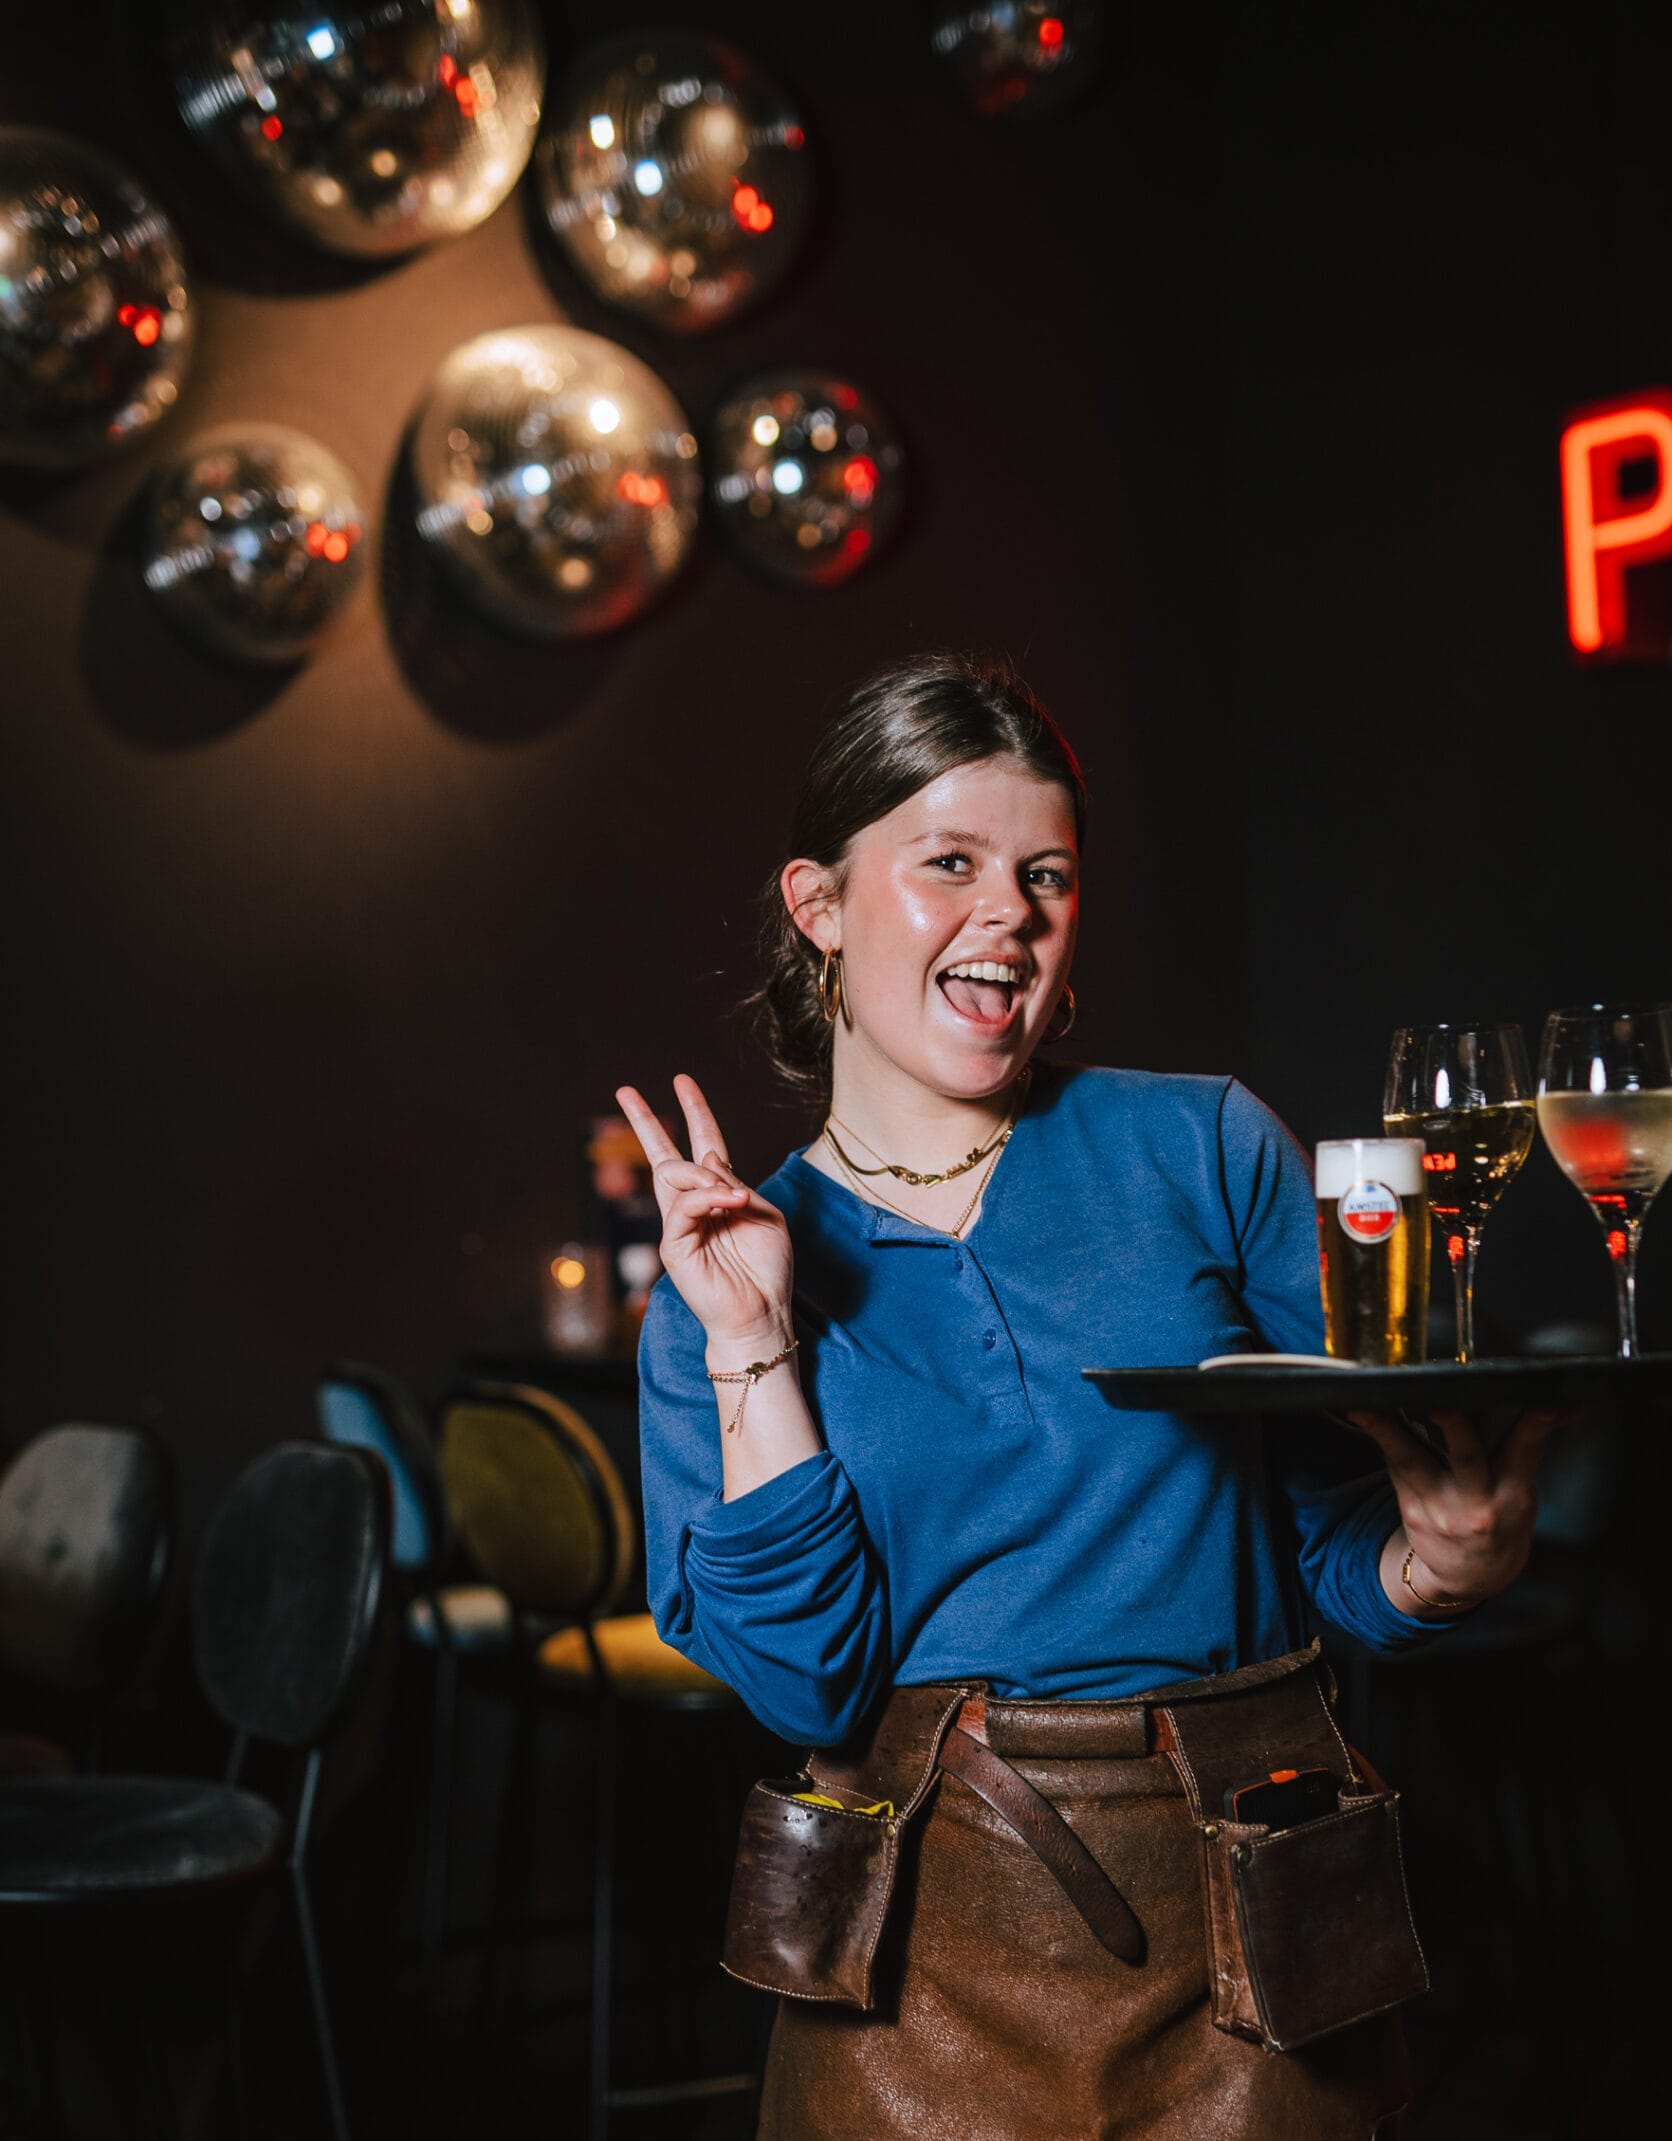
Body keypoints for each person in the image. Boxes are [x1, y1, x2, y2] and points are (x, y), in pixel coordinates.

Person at [615, 652, 1561, 2140]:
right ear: (817, 904)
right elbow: (806, 1688)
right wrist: (750, 1334)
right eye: (948, 864)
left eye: (1045, 873)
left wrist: (1434, 1566)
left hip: (1249, 1907)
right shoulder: (726, 1270)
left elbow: (1326, 1544)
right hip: (911, 1957)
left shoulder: (1201, 1145)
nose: (1010, 914)